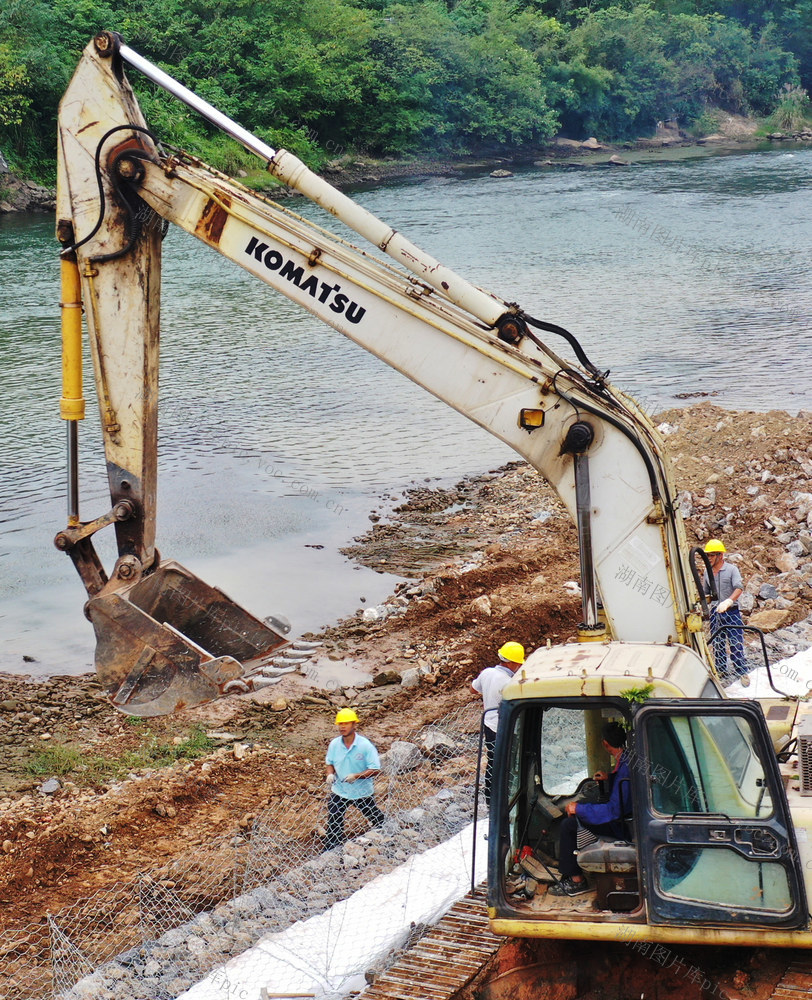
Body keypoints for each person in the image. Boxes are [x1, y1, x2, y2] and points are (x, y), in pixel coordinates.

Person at [551, 721, 631, 897]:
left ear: (605, 743)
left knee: (568, 825)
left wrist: (579, 809)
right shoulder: (626, 760)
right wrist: (609, 778)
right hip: (623, 818)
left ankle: (576, 881)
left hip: (622, 825)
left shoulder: (626, 768)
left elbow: (614, 810)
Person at [470, 641, 525, 803]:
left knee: (493, 762)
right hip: (506, 728)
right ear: (512, 662)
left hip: (488, 725)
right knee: (508, 764)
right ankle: (505, 798)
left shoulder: (487, 672)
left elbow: (473, 689)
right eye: (518, 663)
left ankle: (490, 800)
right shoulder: (508, 682)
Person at [324, 708, 385, 850]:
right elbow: (330, 762)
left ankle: (384, 828)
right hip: (340, 790)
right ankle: (332, 847)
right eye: (340, 724)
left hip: (361, 791)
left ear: (354, 725)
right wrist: (330, 774)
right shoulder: (334, 745)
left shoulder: (365, 746)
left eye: (346, 723)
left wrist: (356, 776)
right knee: (334, 818)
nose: (342, 727)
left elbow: (375, 769)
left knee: (372, 813)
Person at [702, 539, 746, 685]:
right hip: (716, 613)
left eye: (711, 555)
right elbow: (705, 593)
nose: (709, 558)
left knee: (735, 643)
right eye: (707, 556)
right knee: (718, 644)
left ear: (720, 556)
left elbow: (739, 587)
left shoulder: (732, 570)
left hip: (731, 612)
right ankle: (721, 672)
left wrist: (729, 601)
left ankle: (742, 672)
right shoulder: (707, 573)